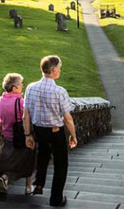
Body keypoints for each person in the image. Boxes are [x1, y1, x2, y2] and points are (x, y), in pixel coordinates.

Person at [23, 55, 77, 207]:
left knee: (43, 154)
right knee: (61, 164)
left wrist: (28, 134)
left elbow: (25, 115)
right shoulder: (60, 91)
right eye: (59, 67)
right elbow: (67, 119)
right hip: (55, 131)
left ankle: (39, 184)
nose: (60, 70)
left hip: (39, 130)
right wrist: (73, 135)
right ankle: (56, 198)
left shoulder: (30, 88)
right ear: (53, 70)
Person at [0, 73, 34, 197]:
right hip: (22, 137)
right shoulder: (21, 102)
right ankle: (28, 187)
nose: (23, 86)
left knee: (9, 160)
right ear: (14, 88)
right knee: (28, 161)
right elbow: (29, 118)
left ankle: (4, 178)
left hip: (8, 137)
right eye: (21, 84)